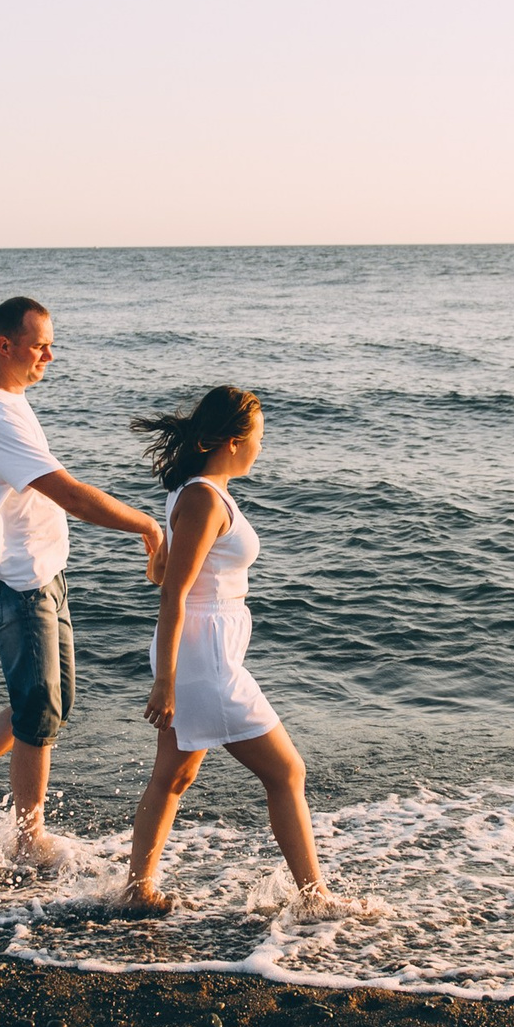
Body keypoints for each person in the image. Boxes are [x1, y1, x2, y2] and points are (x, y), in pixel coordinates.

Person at [0, 297, 165, 864]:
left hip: (42, 574)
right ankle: (28, 840)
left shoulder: (10, 402)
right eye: (39, 345)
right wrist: (146, 525)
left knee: (51, 703)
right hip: (16, 580)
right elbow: (72, 494)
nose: (50, 355)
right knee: (38, 709)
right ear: (5, 346)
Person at [117, 385, 329, 913]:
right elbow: (173, 592)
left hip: (206, 651)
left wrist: (159, 557)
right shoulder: (204, 498)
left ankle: (137, 890)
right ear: (234, 440)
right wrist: (164, 681)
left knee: (174, 775)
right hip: (204, 658)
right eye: (259, 437)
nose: (262, 447)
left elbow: (165, 574)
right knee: (286, 773)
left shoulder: (198, 492)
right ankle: (314, 897)